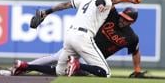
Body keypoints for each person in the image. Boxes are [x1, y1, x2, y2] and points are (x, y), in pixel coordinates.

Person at [12, 7, 142, 77]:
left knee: (63, 68)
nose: (123, 20)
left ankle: (24, 66)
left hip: (92, 57)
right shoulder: (112, 15)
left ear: (132, 22)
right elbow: (110, 0)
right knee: (56, 58)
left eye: (127, 20)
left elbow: (135, 52)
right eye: (123, 17)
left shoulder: (131, 37)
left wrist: (137, 69)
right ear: (121, 14)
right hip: (85, 43)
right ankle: (26, 66)